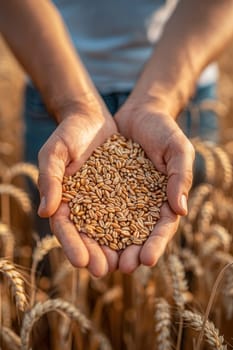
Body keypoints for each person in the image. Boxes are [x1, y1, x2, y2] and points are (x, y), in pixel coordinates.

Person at [0, 0, 233, 278]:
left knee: (191, 259)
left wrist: (157, 100)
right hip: (51, 73)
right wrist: (75, 104)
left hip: (185, 75)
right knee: (50, 266)